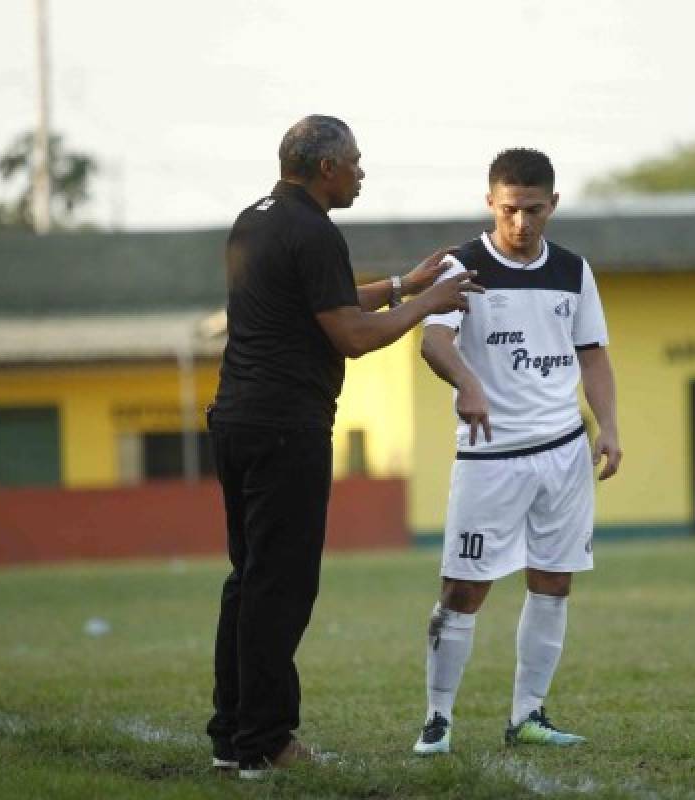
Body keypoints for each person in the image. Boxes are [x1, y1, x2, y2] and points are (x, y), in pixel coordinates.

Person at [205, 115, 482, 779]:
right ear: (326, 168)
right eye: (355, 162)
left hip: (237, 419)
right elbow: (352, 337)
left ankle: (231, 733)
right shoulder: (315, 229)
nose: (362, 172)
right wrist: (430, 304)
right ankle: (265, 743)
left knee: (249, 582)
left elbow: (319, 305)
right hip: (285, 426)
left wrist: (401, 287)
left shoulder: (257, 217)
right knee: (281, 588)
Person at [411, 148, 621, 755]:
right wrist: (469, 384)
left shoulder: (574, 270)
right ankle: (438, 719)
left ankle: (529, 715)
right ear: (490, 202)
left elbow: (593, 355)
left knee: (553, 582)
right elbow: (433, 342)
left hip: (563, 450)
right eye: (510, 209)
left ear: (552, 203)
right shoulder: (463, 265)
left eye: (534, 209)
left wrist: (609, 426)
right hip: (489, 456)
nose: (522, 222)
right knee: (463, 588)